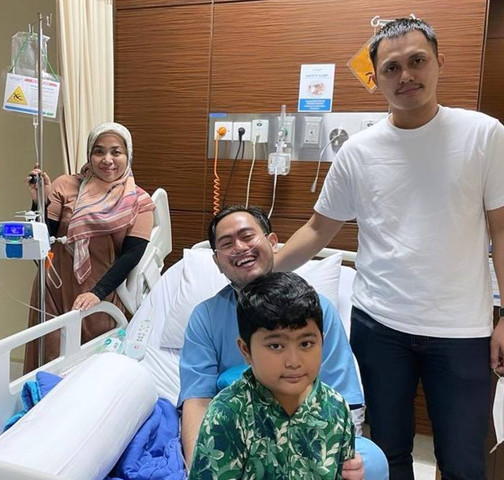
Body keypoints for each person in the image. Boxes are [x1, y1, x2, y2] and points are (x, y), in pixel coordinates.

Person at [273, 18, 504, 480]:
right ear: (375, 78)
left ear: (439, 62)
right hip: (379, 327)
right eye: (392, 68)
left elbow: (501, 232)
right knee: (385, 453)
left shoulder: (484, 135)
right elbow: (318, 230)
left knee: (463, 461)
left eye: (417, 61)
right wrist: (262, 270)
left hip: (462, 331)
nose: (406, 76)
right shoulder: (358, 152)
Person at [179, 205, 389, 480]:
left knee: (371, 463)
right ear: (217, 261)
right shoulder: (206, 317)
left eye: (247, 236)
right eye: (227, 243)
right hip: (240, 432)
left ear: (273, 242)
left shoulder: (316, 310)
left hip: (313, 428)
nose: (240, 247)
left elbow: (342, 400)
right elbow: (198, 400)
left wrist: (343, 453)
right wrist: (200, 461)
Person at [189, 272, 355, 479]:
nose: (293, 361)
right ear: (245, 350)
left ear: (322, 341)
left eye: (306, 344)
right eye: (276, 346)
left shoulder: (336, 409)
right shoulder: (228, 415)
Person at [25, 122, 155, 370]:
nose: (107, 159)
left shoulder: (139, 201)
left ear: (128, 155)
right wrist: (39, 202)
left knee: (93, 367)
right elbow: (43, 238)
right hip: (54, 286)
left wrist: (97, 293)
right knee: (49, 364)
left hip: (103, 292)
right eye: (99, 151)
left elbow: (131, 255)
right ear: (89, 155)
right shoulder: (66, 186)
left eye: (116, 152)